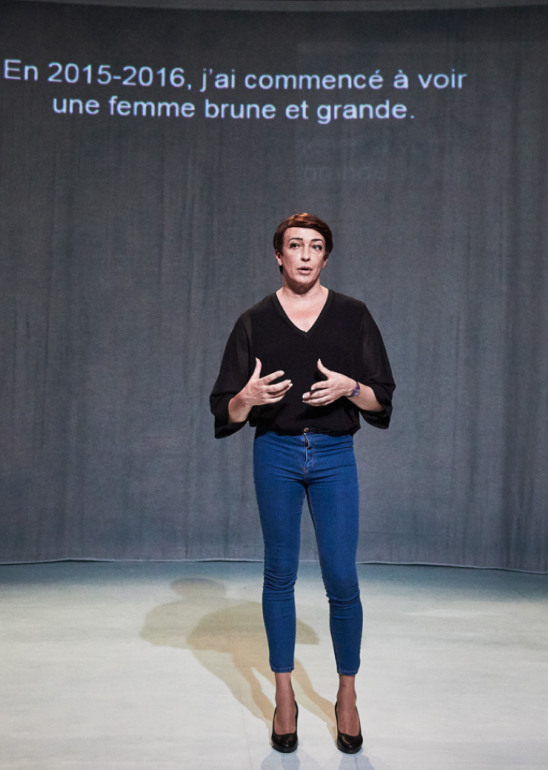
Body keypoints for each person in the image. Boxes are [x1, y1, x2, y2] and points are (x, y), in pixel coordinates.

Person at [209, 213, 395, 754]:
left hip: (334, 454)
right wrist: (248, 399)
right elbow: (225, 409)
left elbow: (381, 398)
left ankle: (346, 695)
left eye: (316, 246)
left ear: (326, 257)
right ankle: (284, 696)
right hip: (277, 453)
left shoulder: (353, 316)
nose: (306, 255)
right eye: (296, 245)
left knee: (342, 577)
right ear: (279, 255)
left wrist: (349, 387)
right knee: (279, 575)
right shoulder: (254, 321)